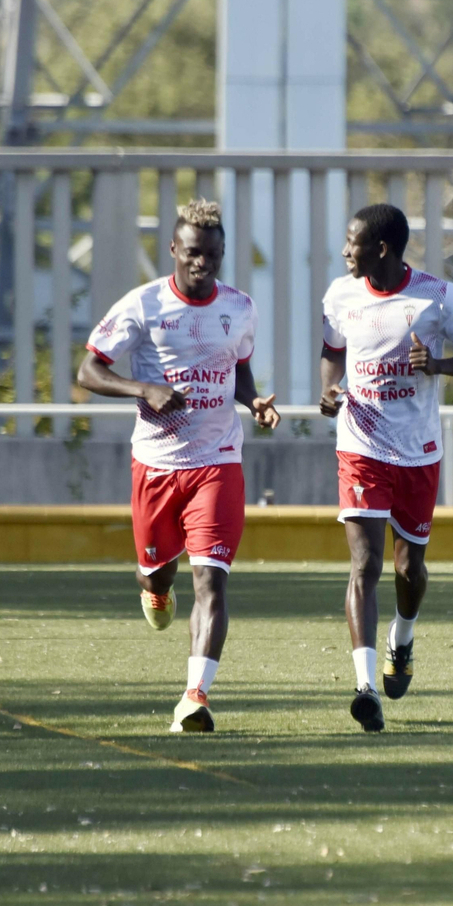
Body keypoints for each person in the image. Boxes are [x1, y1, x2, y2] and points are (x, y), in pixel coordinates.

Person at [77, 199, 279, 734]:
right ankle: (154, 586)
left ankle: (195, 696)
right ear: (173, 250)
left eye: (212, 255)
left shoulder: (239, 308)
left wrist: (253, 401)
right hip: (157, 465)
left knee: (211, 580)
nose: (202, 264)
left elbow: (239, 368)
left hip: (218, 463)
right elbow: (89, 370)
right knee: (158, 569)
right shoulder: (142, 306)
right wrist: (141, 388)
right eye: (192, 253)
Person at [318, 203, 453, 733]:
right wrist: (328, 389)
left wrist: (437, 365)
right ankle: (365, 686)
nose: (345, 251)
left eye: (354, 243)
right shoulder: (340, 294)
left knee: (408, 570)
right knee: (365, 565)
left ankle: (403, 637)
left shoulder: (437, 297)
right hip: (360, 445)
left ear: (382, 249)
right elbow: (333, 349)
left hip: (417, 450)